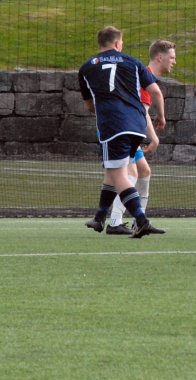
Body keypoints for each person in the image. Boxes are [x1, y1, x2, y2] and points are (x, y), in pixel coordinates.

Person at [80, 26, 166, 239]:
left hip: (112, 126)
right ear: (118, 43)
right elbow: (155, 91)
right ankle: (100, 217)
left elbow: (89, 106)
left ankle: (142, 221)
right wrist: (161, 116)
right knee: (113, 171)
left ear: (100, 43)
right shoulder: (133, 62)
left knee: (120, 174)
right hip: (137, 125)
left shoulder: (86, 68)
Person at [107, 40, 177, 235]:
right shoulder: (144, 78)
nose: (174, 62)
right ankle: (114, 222)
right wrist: (154, 138)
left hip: (121, 128)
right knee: (130, 174)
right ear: (160, 57)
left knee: (143, 171)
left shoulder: (143, 75)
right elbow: (142, 112)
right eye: (172, 58)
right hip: (121, 130)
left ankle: (139, 222)